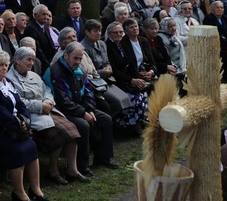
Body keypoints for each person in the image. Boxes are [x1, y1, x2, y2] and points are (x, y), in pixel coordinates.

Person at [8, 46, 89, 184]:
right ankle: (53, 171)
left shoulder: (33, 75)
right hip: (32, 115)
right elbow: (18, 102)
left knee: (72, 130)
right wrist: (40, 106)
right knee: (59, 132)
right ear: (17, 60)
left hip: (47, 109)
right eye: (28, 60)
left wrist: (47, 102)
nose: (31, 63)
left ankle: (72, 170)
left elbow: (46, 89)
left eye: (33, 60)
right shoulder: (10, 79)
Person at [0, 50, 47, 201]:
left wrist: (26, 119)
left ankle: (36, 190)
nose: (5, 68)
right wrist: (18, 123)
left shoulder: (8, 82)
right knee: (17, 151)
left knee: (32, 147)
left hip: (15, 127)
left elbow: (20, 104)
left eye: (7, 65)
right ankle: (19, 193)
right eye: (1, 65)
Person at [45, 42, 117, 176]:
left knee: (105, 119)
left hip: (80, 107)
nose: (78, 61)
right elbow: (62, 100)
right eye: (75, 58)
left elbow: (89, 92)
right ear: (66, 55)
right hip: (62, 110)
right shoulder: (55, 71)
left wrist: (89, 109)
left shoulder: (78, 70)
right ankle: (81, 165)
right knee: (83, 125)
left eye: (80, 58)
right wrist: (83, 113)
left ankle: (103, 157)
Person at [104, 21, 152, 132]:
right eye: (115, 33)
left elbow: (131, 64)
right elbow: (114, 70)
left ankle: (139, 120)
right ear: (110, 34)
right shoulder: (108, 46)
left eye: (121, 32)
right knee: (133, 96)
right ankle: (130, 124)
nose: (119, 35)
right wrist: (132, 80)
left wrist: (138, 78)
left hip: (128, 78)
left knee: (143, 91)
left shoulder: (122, 45)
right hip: (116, 80)